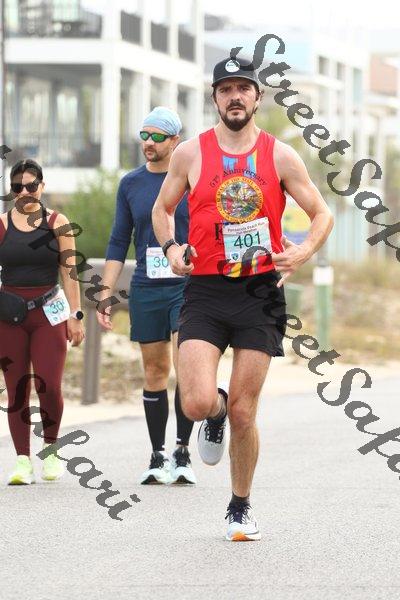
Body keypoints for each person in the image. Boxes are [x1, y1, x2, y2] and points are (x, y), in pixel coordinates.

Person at [152, 58, 334, 541]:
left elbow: (322, 213)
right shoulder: (190, 153)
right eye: (225, 89)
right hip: (205, 290)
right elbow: (162, 208)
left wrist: (303, 251)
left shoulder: (281, 156)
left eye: (243, 88)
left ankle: (239, 506)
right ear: (215, 97)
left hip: (259, 295)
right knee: (195, 402)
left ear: (257, 97)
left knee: (245, 412)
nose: (235, 96)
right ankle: (213, 415)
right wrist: (171, 248)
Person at [97, 107, 196, 485]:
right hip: (147, 287)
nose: (148, 143)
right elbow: (118, 241)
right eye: (144, 135)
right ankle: (158, 455)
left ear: (175, 141)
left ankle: (182, 451)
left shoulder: (191, 179)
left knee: (186, 369)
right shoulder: (131, 184)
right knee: (154, 371)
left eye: (157, 137)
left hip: (187, 286)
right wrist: (106, 293)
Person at [0, 159, 85, 485]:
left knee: (48, 384)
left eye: (31, 185)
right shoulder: (2, 224)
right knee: (16, 389)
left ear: (42, 186)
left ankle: (51, 450)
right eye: (17, 187)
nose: (24, 191)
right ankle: (22, 460)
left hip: (48, 313)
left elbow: (69, 272)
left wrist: (76, 315)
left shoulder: (56, 223)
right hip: (9, 317)